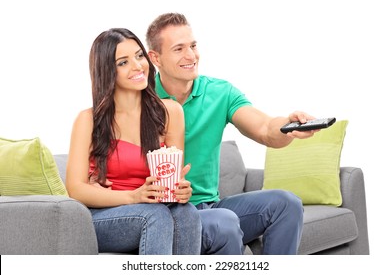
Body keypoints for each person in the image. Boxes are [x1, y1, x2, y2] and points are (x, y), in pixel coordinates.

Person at [146, 13, 318, 255]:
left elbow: (265, 128)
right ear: (155, 58)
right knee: (223, 221)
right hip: (169, 214)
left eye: (193, 46)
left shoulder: (220, 92)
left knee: (286, 204)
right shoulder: (140, 100)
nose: (191, 56)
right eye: (178, 49)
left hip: (212, 207)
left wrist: (287, 126)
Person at [65, 28, 201, 255]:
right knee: (155, 215)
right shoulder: (88, 120)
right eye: (123, 62)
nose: (138, 66)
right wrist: (134, 196)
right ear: (107, 70)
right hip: (105, 215)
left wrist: (181, 189)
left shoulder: (170, 112)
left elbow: (173, 179)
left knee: (187, 212)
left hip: (154, 208)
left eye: (139, 56)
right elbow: (75, 189)